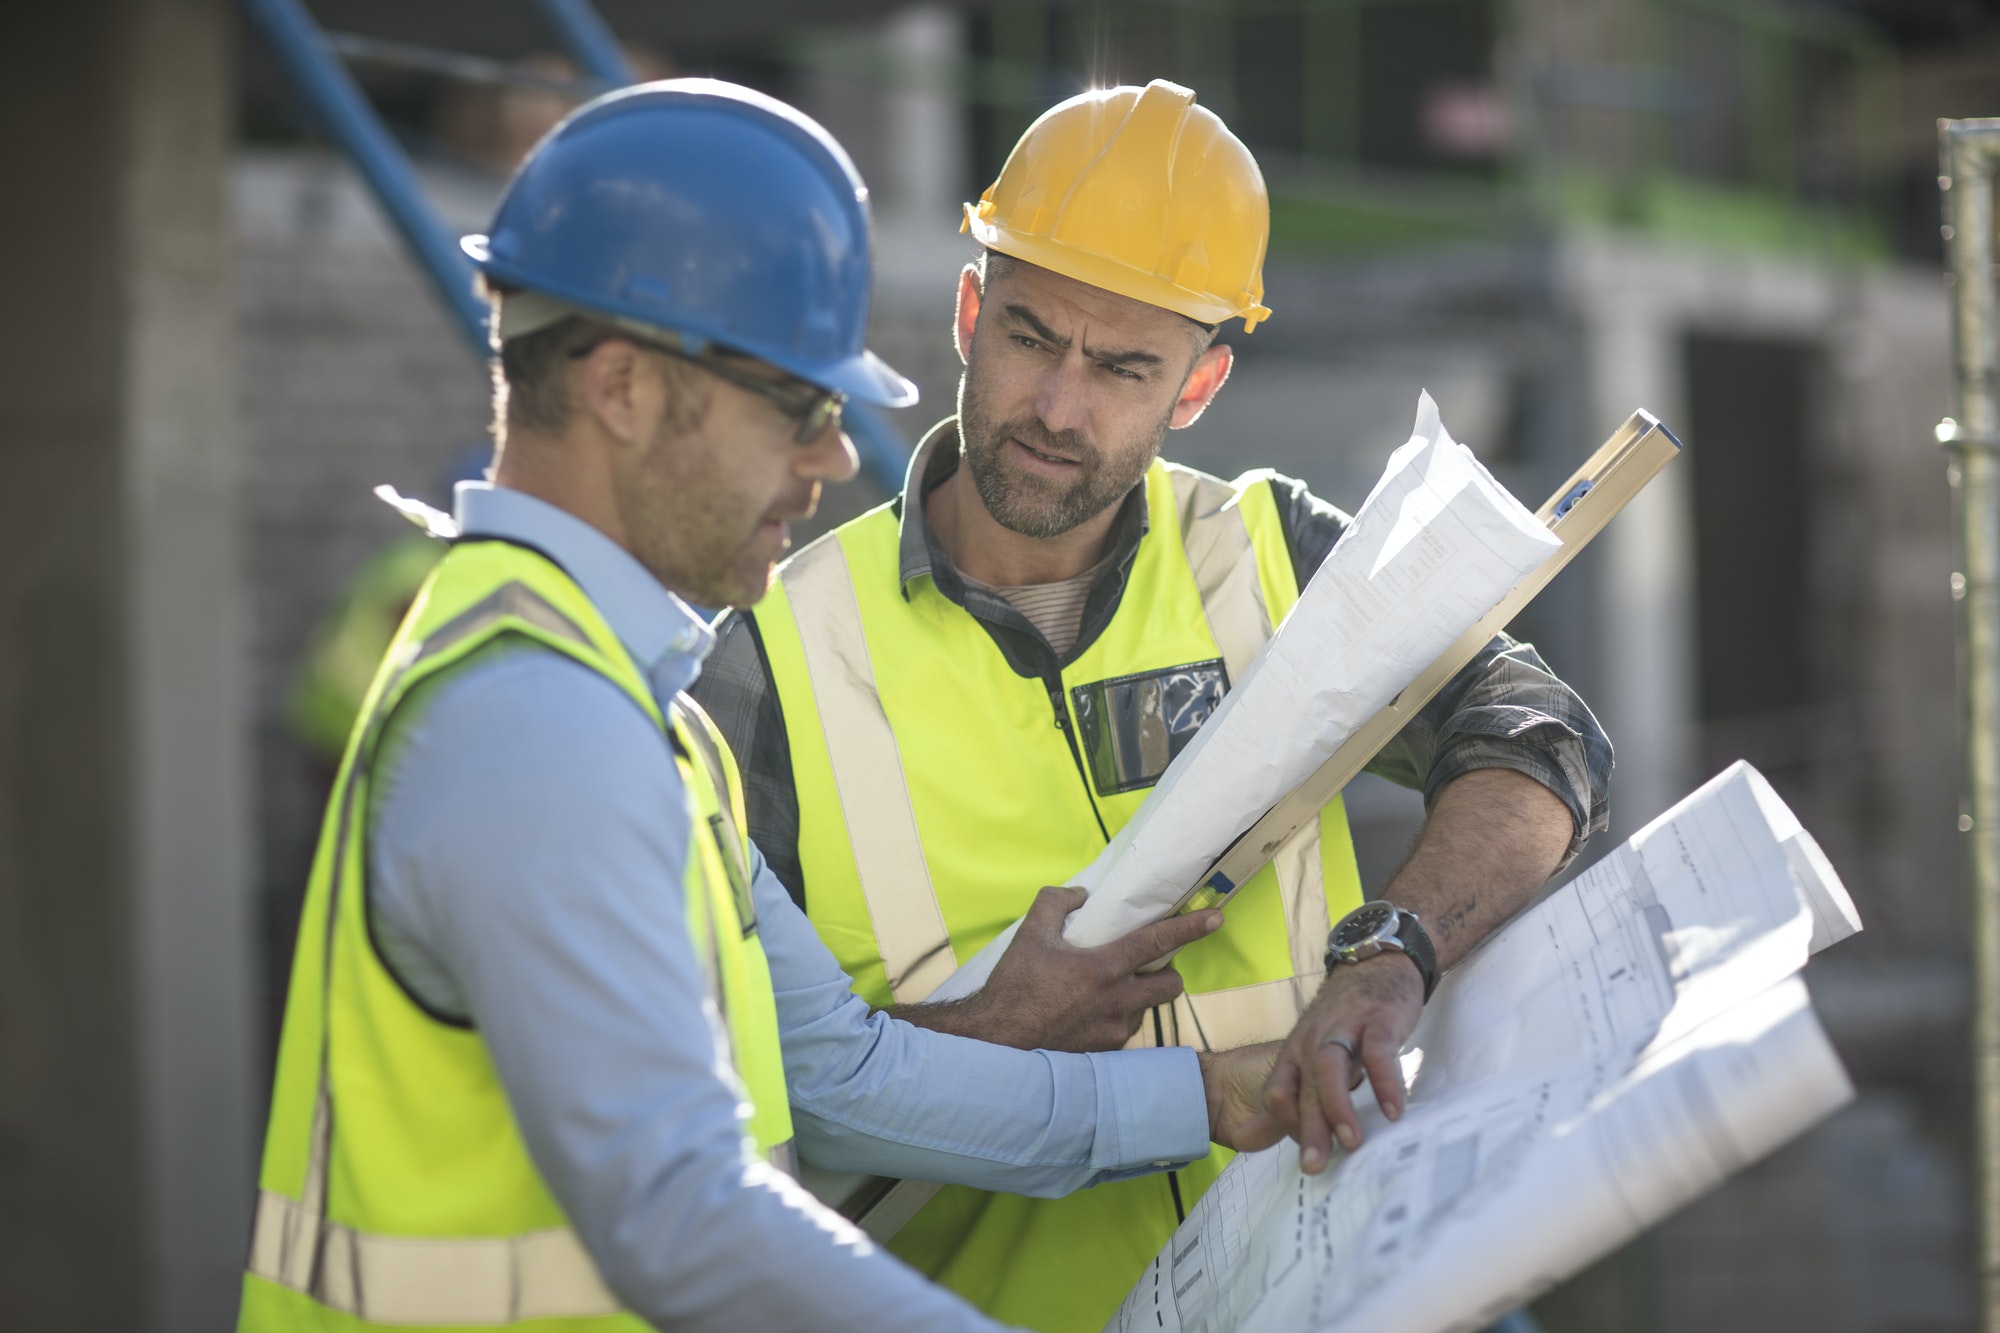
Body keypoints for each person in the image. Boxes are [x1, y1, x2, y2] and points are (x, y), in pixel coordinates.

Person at [238, 79, 1287, 1333]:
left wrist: (1210, 1100)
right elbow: (681, 1215)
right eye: (797, 403)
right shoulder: (535, 728)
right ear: (622, 387)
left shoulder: (627, 704)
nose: (835, 457)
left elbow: (840, 1073)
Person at [691, 78, 1612, 1331]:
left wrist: (1395, 953)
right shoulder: (770, 652)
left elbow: (1536, 737)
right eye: (1028, 337)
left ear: (1199, 384)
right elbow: (715, 1096)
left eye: (1122, 366)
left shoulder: (1273, 555)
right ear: (968, 308)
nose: (1059, 410)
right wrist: (982, 1029)